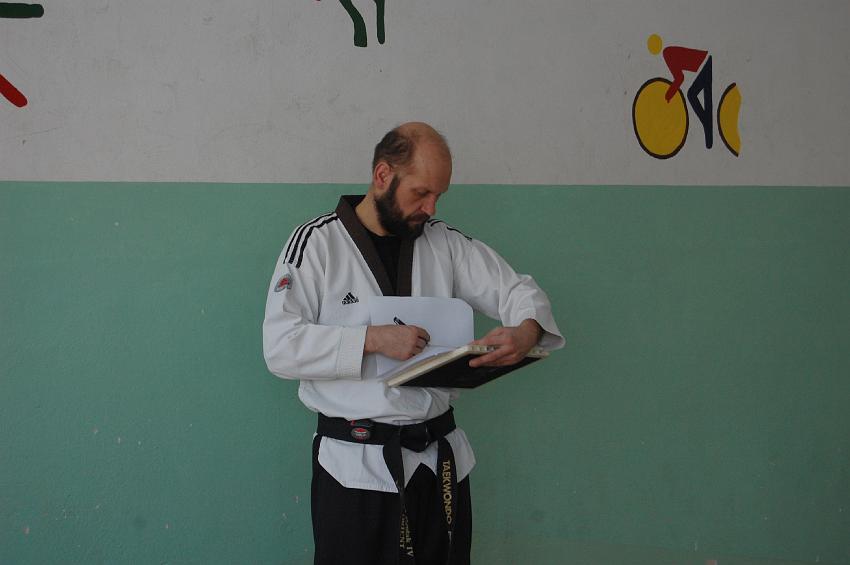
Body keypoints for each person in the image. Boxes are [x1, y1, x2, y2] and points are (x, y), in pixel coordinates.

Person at [263, 122, 564, 565]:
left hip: (439, 463)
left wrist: (526, 331)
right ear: (383, 175)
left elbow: (517, 290)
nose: (430, 207)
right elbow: (280, 346)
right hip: (354, 467)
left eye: (439, 195)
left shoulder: (445, 243)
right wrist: (370, 339)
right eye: (421, 193)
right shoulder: (318, 243)